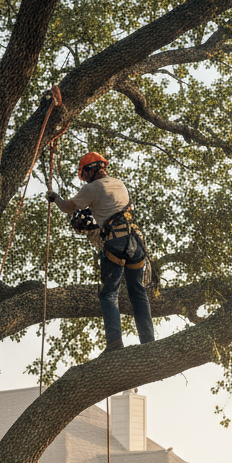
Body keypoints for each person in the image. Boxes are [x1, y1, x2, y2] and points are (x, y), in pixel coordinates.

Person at [56, 151, 154, 352]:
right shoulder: (119, 183)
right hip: (136, 241)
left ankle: (115, 344)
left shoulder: (93, 188)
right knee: (137, 292)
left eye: (84, 176)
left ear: (89, 172)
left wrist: (54, 197)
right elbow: (112, 212)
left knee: (109, 293)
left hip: (115, 242)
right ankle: (149, 342)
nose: (85, 180)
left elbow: (68, 207)